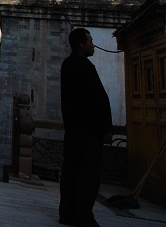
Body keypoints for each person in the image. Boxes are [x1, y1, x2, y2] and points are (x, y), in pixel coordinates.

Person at [59, 28, 112, 227]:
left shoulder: (67, 65)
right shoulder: (85, 66)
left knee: (70, 172)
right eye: (90, 41)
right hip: (89, 132)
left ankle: (67, 213)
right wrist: (106, 127)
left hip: (72, 130)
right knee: (87, 175)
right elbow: (99, 99)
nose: (93, 44)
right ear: (81, 44)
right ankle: (82, 215)